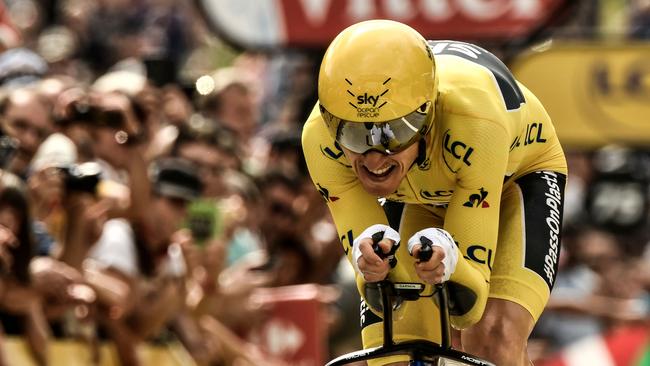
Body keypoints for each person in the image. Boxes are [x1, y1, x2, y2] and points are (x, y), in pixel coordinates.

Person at [301, 20, 567, 366]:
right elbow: (380, 289)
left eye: (395, 131)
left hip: (514, 180)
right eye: (352, 134)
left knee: (490, 338)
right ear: (329, 119)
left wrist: (450, 263)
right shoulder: (318, 139)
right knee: (391, 351)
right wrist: (370, 262)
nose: (374, 157)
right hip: (420, 193)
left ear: (428, 114)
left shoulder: (474, 119)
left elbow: (467, 306)